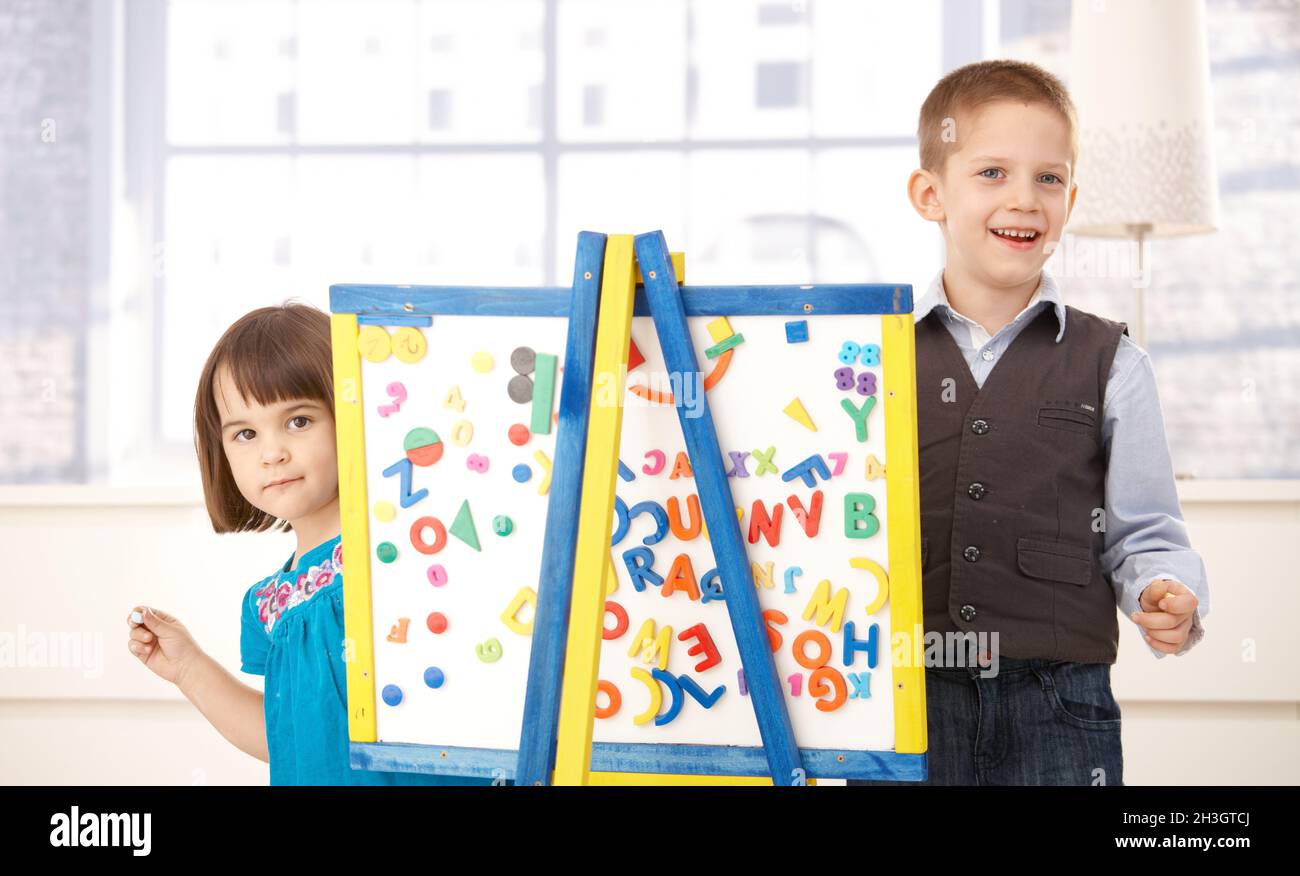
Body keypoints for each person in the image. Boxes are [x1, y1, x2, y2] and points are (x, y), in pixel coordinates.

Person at [852, 60, 1209, 786]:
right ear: (930, 194)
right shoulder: (865, 355)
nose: (1024, 198)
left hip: (1060, 703)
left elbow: (1145, 529)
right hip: (899, 698)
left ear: (1070, 200)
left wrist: (1162, 588)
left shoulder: (1114, 361)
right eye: (992, 173)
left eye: (1048, 178)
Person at [127, 302, 490, 785]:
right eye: (245, 433)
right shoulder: (267, 605)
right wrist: (189, 668)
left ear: (351, 415)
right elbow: (288, 738)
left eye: (298, 421)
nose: (272, 453)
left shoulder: (405, 552)